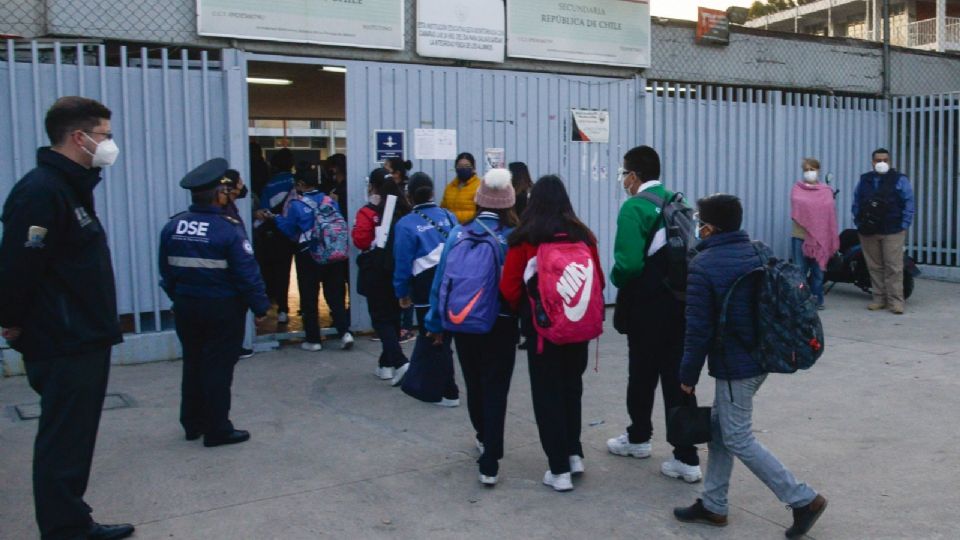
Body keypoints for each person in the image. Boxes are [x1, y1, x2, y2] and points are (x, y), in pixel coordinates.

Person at [0, 96, 133, 540]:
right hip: (63, 339)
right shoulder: (42, 190)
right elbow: (19, 265)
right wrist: (11, 320)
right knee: (63, 442)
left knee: (73, 441)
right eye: (105, 135)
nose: (110, 144)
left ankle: (72, 520)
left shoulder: (68, 187)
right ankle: (65, 530)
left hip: (80, 336)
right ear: (79, 138)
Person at [673, 194, 827, 539]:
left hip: (735, 365)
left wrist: (686, 376)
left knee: (737, 436)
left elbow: (698, 330)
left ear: (709, 227)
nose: (698, 227)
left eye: (701, 221)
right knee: (720, 429)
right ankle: (714, 505)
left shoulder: (703, 265)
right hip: (763, 356)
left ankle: (803, 498)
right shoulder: (757, 250)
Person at [500, 175, 605, 492]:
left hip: (542, 331)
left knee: (547, 394)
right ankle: (574, 454)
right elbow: (597, 279)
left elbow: (509, 287)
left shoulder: (526, 237)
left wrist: (529, 310)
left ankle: (558, 469)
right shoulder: (583, 234)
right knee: (572, 389)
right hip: (578, 328)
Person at [607, 146, 702, 483]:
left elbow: (629, 264)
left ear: (633, 175)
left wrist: (615, 280)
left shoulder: (635, 207)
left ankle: (638, 438)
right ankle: (686, 457)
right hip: (680, 302)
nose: (623, 180)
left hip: (647, 306)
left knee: (642, 374)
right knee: (677, 379)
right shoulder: (678, 201)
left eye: (623, 173)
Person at [160, 158, 270, 449]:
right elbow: (247, 273)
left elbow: (166, 272)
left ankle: (192, 422)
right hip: (222, 309)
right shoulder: (227, 229)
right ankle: (217, 428)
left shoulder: (173, 225)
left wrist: (178, 297)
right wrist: (260, 307)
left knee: (193, 362)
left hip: (186, 306)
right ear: (220, 194)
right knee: (218, 368)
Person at [425, 168, 519, 486]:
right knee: (496, 387)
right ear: (509, 203)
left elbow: (441, 282)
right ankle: (490, 460)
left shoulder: (458, 233)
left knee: (474, 383)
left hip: (462, 323)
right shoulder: (512, 237)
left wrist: (435, 323)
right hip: (501, 325)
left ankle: (482, 435)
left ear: (479, 201)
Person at [259, 166, 354, 351]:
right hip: (333, 253)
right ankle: (345, 332)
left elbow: (288, 229)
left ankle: (313, 339)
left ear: (301, 184)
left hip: (309, 254)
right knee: (335, 295)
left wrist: (274, 218)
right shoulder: (330, 200)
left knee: (309, 296)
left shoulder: (297, 205)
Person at [393, 172, 460, 406]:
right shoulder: (450, 217)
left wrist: (402, 293)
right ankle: (442, 386)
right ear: (433, 192)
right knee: (446, 338)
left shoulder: (405, 224)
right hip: (454, 285)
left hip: (425, 288)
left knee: (433, 337)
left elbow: (402, 263)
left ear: (409, 195)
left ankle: (448, 391)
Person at [353, 168, 411, 381]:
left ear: (372, 186)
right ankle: (385, 364)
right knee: (393, 317)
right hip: (397, 269)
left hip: (375, 269)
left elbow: (360, 240)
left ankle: (399, 362)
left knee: (381, 319)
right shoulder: (403, 209)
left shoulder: (368, 212)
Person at [852, 148, 915, 314]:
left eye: (885, 160)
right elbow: (857, 201)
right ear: (872, 162)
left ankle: (896, 301)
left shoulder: (899, 179)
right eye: (878, 160)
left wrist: (904, 224)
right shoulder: (864, 180)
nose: (881, 163)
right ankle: (879, 298)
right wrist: (858, 221)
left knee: (893, 267)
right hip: (868, 230)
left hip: (892, 230)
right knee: (874, 267)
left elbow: (909, 202)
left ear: (890, 161)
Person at [256, 148, 298, 324]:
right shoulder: (297, 181)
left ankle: (282, 309)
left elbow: (265, 211)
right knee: (305, 274)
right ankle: (306, 307)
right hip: (300, 232)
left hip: (278, 233)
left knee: (280, 271)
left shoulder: (270, 184)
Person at [790, 158, 839, 310]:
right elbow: (797, 205)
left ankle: (817, 300)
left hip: (820, 238)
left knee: (818, 273)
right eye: (806, 169)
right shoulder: (797, 189)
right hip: (800, 236)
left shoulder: (826, 191)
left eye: (812, 169)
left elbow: (830, 213)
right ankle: (800, 300)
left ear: (818, 170)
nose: (809, 172)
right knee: (800, 270)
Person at [223, 168, 257, 359]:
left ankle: (234, 347)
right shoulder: (226, 214)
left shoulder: (230, 210)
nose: (243, 185)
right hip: (230, 278)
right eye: (240, 182)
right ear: (233, 187)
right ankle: (232, 348)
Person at [384, 157, 417, 343]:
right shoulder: (393, 187)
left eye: (387, 169)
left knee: (407, 283)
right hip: (399, 238)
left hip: (405, 238)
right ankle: (401, 325)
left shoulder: (403, 189)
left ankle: (406, 326)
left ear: (396, 171)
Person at [508, 161, 534, 351]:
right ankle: (527, 331)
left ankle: (519, 331)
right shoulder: (531, 192)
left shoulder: (516, 195)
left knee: (519, 287)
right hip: (532, 242)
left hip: (519, 242)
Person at [441, 152, 481, 224]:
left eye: (467, 166)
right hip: (452, 229)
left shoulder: (479, 186)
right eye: (460, 166)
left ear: (473, 168)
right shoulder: (450, 187)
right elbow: (442, 210)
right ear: (456, 167)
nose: (463, 168)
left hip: (471, 229)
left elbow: (482, 212)